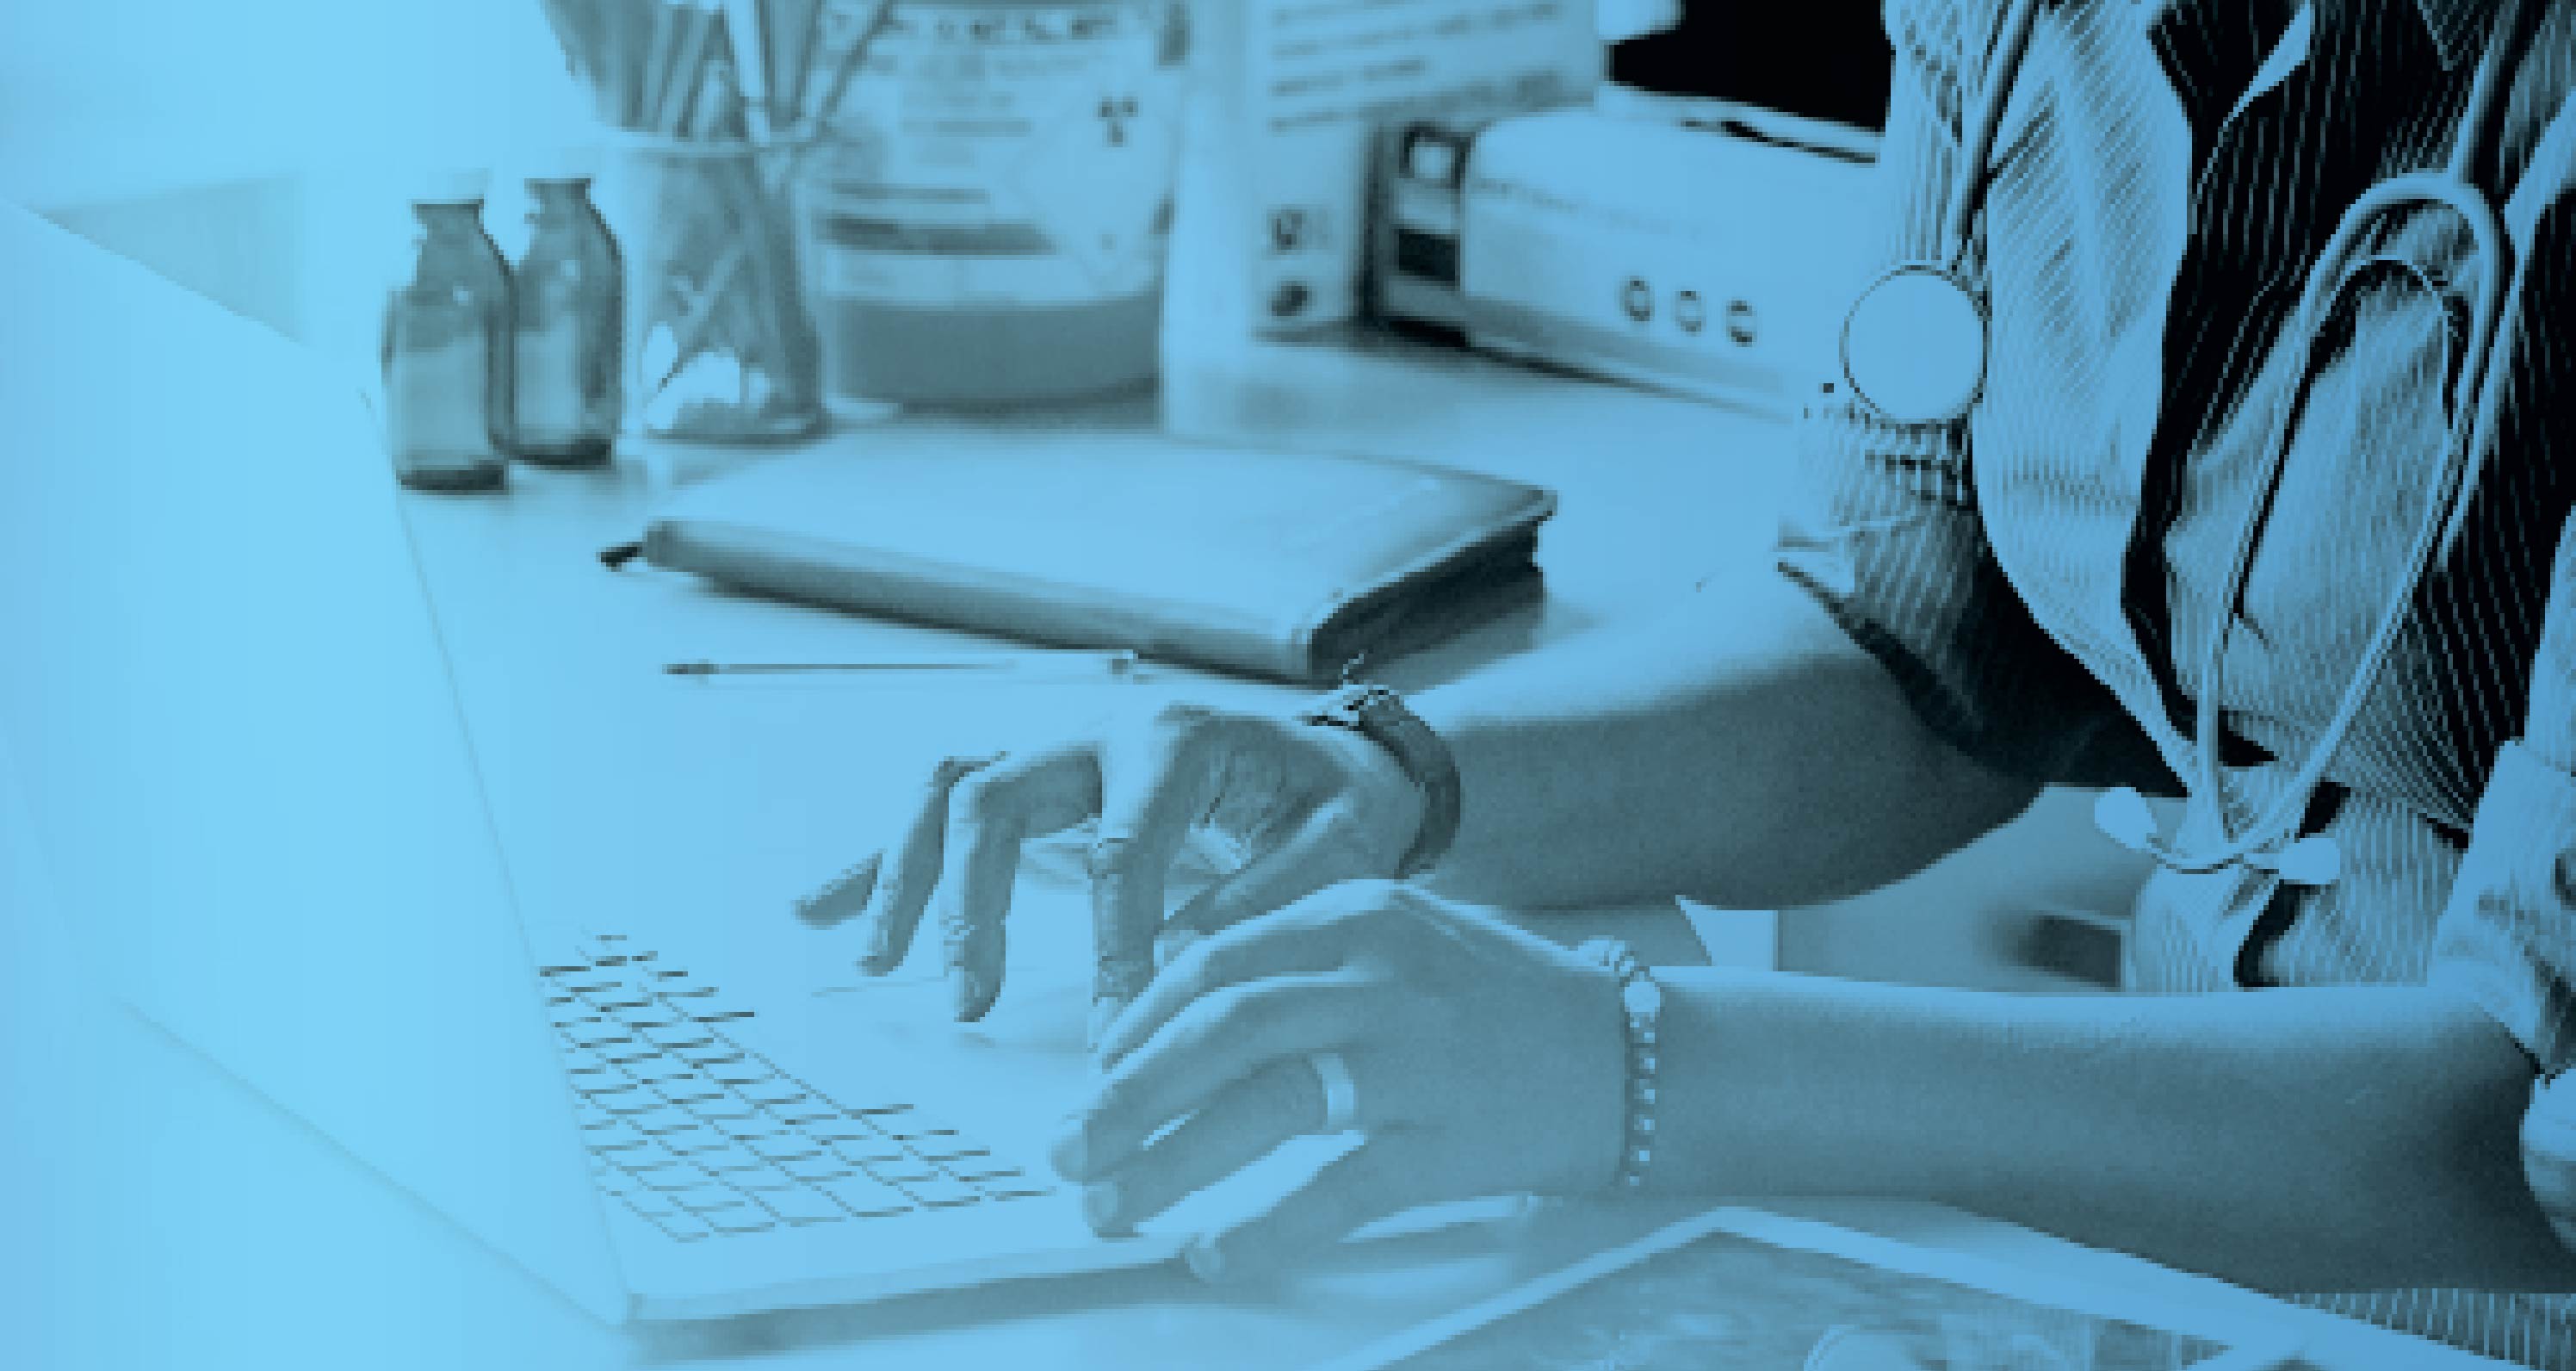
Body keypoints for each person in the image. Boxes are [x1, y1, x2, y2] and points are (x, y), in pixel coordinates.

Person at [802, 0, 2576, 1362]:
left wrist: (1622, 1067)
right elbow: (1920, 646)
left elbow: (2511, 1126)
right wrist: (1398, 782)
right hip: (2129, 1284)